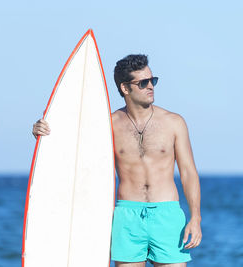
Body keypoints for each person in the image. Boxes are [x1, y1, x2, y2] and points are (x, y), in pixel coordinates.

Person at [31, 54, 202, 267]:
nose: (151, 87)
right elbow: (72, 147)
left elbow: (188, 172)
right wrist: (41, 131)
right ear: (125, 88)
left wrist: (195, 218)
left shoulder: (174, 123)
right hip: (126, 216)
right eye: (143, 83)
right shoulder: (108, 125)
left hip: (167, 214)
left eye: (152, 80)